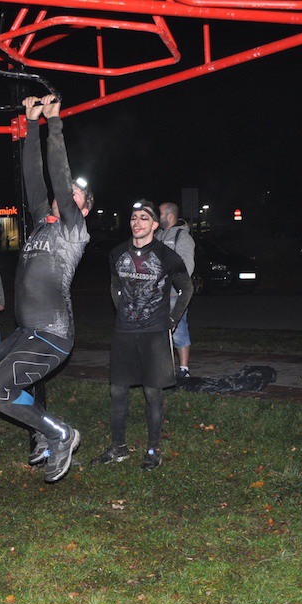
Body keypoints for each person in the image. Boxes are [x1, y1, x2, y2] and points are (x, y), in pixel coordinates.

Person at [0, 94, 90, 484]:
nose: (66, 195)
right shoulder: (41, 222)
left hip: (52, 335)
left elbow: (58, 179)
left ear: (83, 209)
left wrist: (55, 123)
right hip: (26, 333)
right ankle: (46, 429)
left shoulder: (73, 229)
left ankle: (60, 433)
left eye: (76, 195)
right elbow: (34, 178)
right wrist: (31, 123)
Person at [92, 201, 192, 470]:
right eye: (134, 217)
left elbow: (187, 288)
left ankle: (152, 450)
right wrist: (123, 311)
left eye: (144, 218)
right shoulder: (116, 253)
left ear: (155, 224)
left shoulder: (167, 256)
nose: (137, 222)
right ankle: (118, 448)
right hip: (124, 331)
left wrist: (172, 319)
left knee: (152, 393)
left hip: (154, 333)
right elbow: (114, 286)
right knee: (117, 391)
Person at [156, 202, 196, 379]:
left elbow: (187, 266)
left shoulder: (182, 237)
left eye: (160, 214)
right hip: (156, 294)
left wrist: (174, 283)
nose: (157, 217)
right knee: (157, 332)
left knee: (178, 330)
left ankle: (184, 369)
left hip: (173, 294)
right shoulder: (157, 235)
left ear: (170, 216)